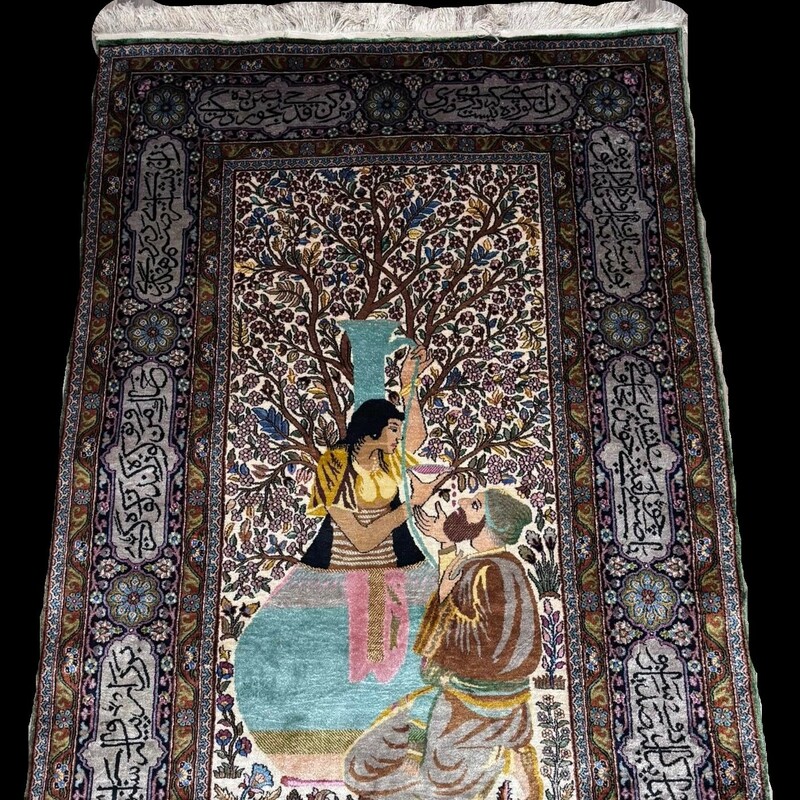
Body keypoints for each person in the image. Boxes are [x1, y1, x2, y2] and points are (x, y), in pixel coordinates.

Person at [343, 488, 545, 800]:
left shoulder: (486, 570)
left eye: (474, 505)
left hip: (467, 704)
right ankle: (503, 758)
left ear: (491, 524)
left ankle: (496, 763)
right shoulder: (507, 567)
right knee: (372, 762)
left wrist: (444, 593)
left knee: (367, 772)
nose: (461, 503)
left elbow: (474, 638)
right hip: (503, 703)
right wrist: (446, 547)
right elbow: (475, 621)